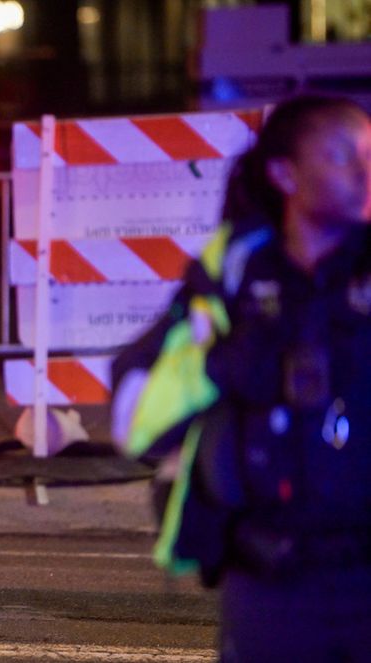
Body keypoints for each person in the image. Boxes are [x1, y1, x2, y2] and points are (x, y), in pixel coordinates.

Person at [112, 95, 371, 661]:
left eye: (370, 156)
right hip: (270, 588)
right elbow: (133, 420)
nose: (362, 173)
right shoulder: (231, 281)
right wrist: (222, 363)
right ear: (284, 174)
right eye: (341, 155)